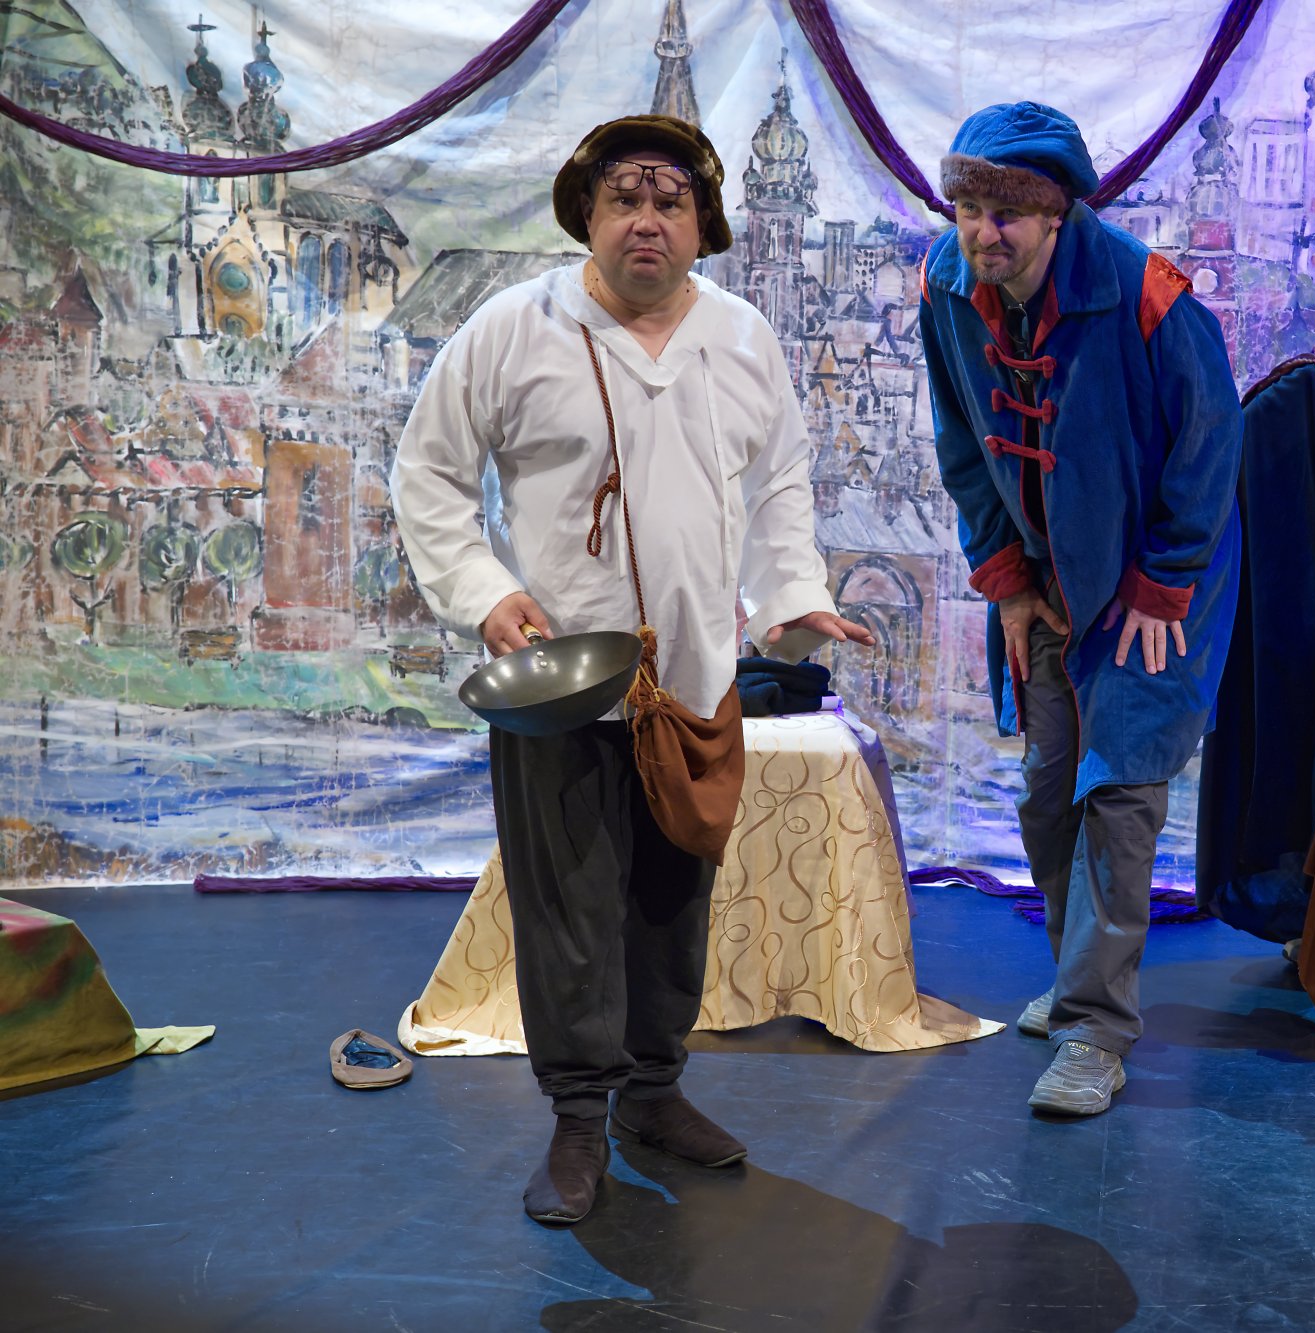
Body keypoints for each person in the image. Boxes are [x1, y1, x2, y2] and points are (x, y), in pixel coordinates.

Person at [390, 115, 873, 1225]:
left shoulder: (742, 338)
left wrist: (793, 595)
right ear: (588, 216)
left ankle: (653, 1093)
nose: (646, 219)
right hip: (558, 685)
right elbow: (430, 472)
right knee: (567, 906)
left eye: (669, 201)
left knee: (672, 899)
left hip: (694, 679)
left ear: (702, 225)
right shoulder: (515, 329)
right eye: (624, 198)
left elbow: (781, 482)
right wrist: (484, 591)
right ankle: (577, 1119)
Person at [918, 102, 1243, 1116]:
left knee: (1120, 794)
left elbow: (1211, 440)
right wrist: (1008, 580)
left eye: (1007, 214)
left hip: (1154, 586)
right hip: (1046, 577)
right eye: (969, 210)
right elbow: (962, 441)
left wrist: (1164, 576)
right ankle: (1073, 980)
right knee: (1046, 787)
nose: (984, 234)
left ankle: (1094, 1031)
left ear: (1056, 215)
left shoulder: (1146, 294)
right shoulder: (946, 286)